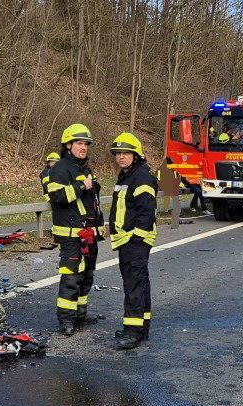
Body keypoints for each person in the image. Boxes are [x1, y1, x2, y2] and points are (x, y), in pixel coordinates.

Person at [45, 124, 105, 335]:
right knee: (71, 278)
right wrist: (81, 186)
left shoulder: (84, 168)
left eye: (86, 144)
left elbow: (92, 203)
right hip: (71, 235)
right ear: (68, 145)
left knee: (87, 276)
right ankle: (66, 320)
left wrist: (99, 228)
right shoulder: (60, 168)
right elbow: (56, 197)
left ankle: (80, 315)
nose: (84, 147)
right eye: (79, 143)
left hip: (88, 234)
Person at [108, 132, 158, 350]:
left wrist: (136, 237)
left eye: (126, 153)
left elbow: (147, 211)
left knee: (134, 285)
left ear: (135, 155)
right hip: (128, 239)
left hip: (135, 240)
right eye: (118, 153)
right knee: (140, 283)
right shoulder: (127, 175)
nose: (121, 157)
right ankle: (142, 327)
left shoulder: (140, 177)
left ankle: (133, 331)